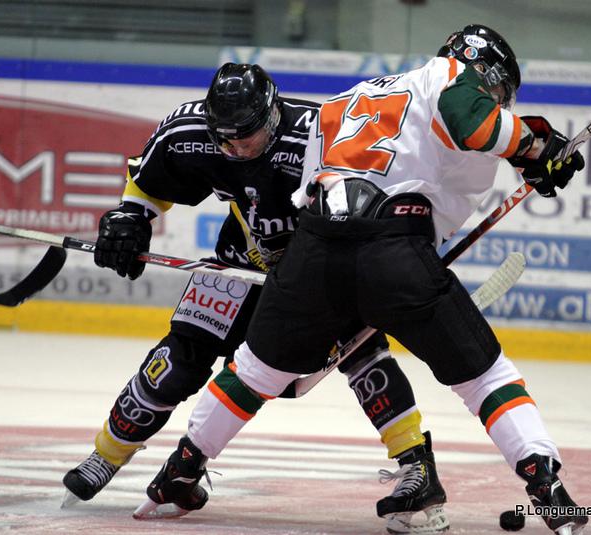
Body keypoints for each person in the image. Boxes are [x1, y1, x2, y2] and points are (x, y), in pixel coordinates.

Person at [138, 25, 588, 534]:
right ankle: (545, 483)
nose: (499, 101)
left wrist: (532, 154)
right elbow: (474, 124)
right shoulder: (450, 75)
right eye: (500, 90)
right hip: (395, 248)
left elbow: (316, 190)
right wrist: (534, 146)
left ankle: (179, 473)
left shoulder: (347, 100)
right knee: (485, 377)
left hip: (313, 252)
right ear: (482, 68)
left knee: (253, 372)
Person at [62, 62, 450, 534]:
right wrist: (131, 218)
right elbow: (147, 183)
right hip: (239, 260)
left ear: (271, 116)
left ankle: (416, 462)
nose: (236, 148)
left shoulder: (319, 135)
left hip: (318, 268)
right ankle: (105, 456)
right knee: (178, 357)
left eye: (246, 136)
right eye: (225, 139)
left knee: (364, 353)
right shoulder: (190, 128)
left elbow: (385, 188)